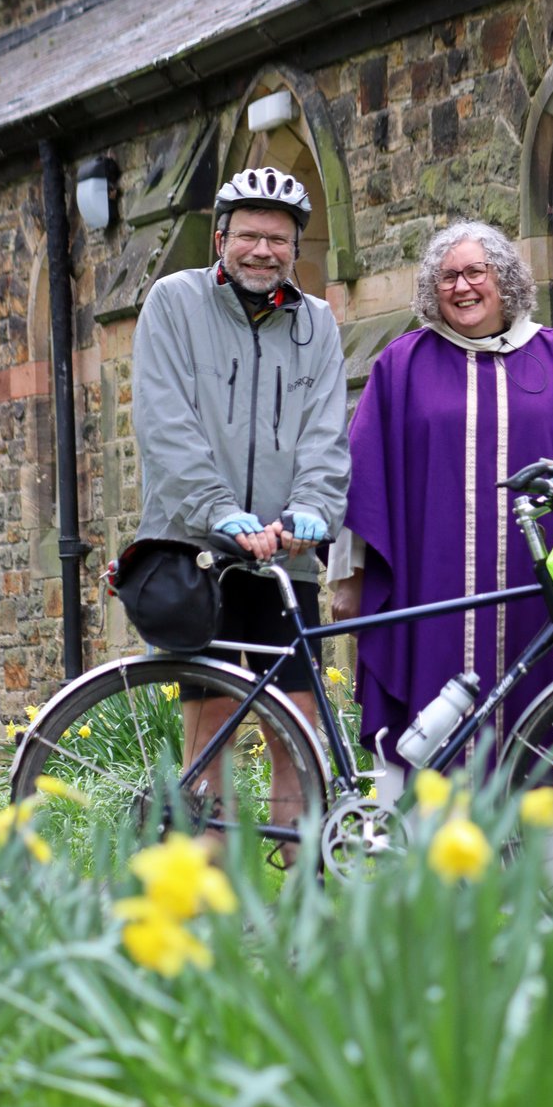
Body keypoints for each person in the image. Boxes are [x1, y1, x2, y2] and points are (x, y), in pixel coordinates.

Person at [329, 220, 553, 805]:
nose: (462, 287)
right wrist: (351, 576)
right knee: (431, 735)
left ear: (505, 281)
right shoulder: (402, 367)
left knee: (551, 729)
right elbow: (362, 472)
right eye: (448, 277)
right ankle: (436, 882)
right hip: (431, 596)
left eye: (476, 272)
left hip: (536, 589)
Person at [132, 165, 350, 834]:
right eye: (250, 236)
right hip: (200, 554)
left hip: (287, 558)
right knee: (211, 736)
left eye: (279, 240)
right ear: (220, 238)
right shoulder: (173, 302)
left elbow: (326, 429)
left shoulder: (316, 322)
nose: (264, 251)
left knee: (299, 733)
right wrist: (218, 509)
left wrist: (313, 507)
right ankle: (212, 903)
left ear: (294, 249)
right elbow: (165, 423)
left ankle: (304, 903)